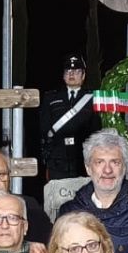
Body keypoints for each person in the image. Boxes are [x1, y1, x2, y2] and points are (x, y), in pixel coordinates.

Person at [39, 54, 101, 214]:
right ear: (63, 75)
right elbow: (44, 127)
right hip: (58, 159)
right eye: (68, 71)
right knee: (56, 202)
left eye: (76, 71)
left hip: (82, 158)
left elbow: (96, 129)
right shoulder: (51, 98)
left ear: (83, 75)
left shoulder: (92, 98)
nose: (72, 74)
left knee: (84, 203)